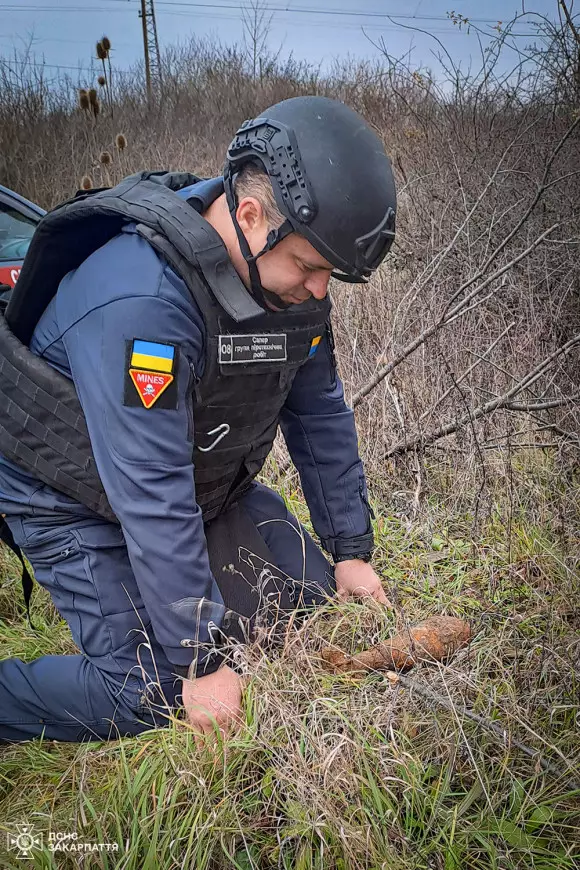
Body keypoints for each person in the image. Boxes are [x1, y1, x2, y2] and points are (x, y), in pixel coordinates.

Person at [0, 95, 396, 743]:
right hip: (65, 488)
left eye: (332, 274)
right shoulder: (143, 300)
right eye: (310, 267)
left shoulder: (290, 288)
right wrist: (201, 658)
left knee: (305, 608)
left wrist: (350, 550)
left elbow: (320, 413)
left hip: (197, 478)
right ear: (249, 214)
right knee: (149, 692)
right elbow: (149, 487)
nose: (320, 290)